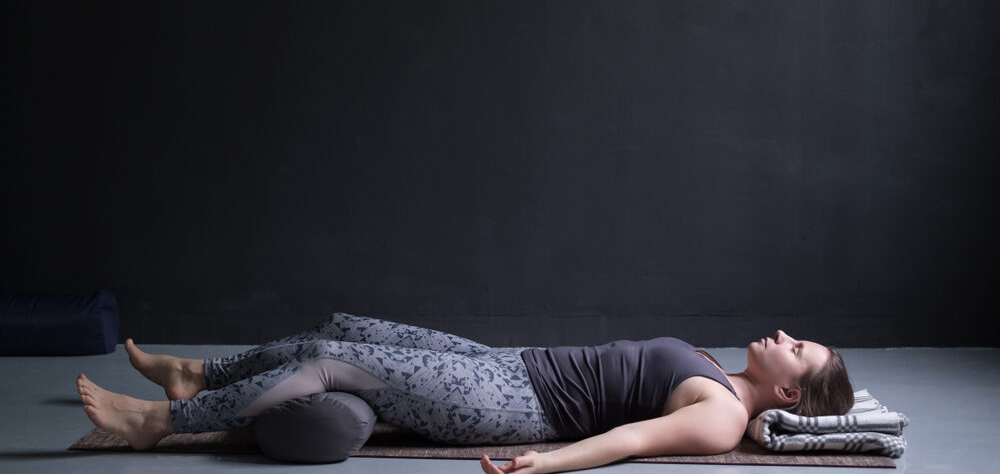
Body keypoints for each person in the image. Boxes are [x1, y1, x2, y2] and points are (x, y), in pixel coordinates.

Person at [75, 312, 853, 473]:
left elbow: (629, 441)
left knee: (336, 361)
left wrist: (543, 464)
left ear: (786, 389)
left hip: (514, 403)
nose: (786, 333)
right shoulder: (718, 371)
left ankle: (163, 420)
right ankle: (200, 373)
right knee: (342, 326)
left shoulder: (722, 413)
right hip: (509, 362)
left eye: (799, 347)